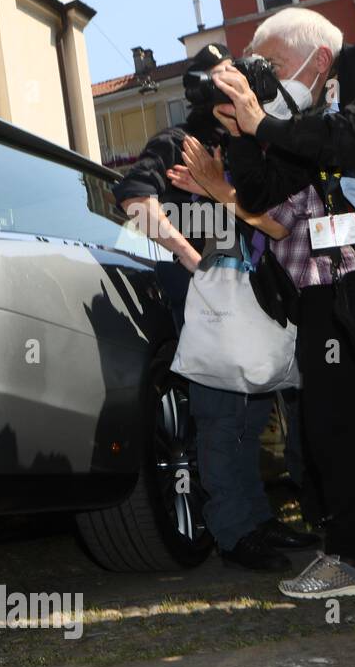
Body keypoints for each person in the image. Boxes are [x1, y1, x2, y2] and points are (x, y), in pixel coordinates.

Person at [113, 43, 316, 573]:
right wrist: (189, 257)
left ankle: (255, 518)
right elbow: (134, 198)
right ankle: (234, 532)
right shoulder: (181, 141)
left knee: (250, 415)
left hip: (251, 296)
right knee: (221, 418)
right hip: (206, 296)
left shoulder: (252, 140)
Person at [215, 8, 355, 598]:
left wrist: (264, 121)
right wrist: (243, 133)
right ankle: (351, 555)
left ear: (317, 61)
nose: (264, 79)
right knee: (336, 426)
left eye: (273, 66)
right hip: (332, 288)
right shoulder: (295, 120)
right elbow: (261, 193)